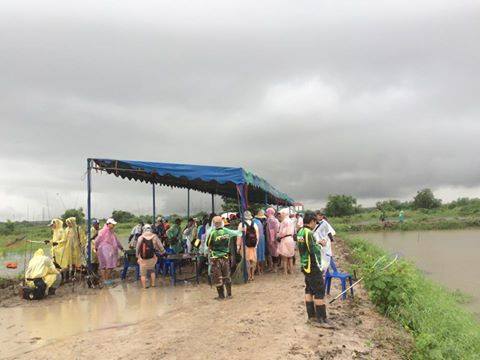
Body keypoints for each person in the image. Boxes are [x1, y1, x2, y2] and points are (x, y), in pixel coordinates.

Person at [297, 211, 331, 326]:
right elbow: (314, 251)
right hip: (312, 266)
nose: (315, 225)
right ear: (311, 221)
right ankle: (322, 319)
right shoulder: (309, 233)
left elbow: (305, 248)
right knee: (319, 290)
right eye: (315, 222)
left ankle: (311, 316)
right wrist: (320, 244)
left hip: (304, 265)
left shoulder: (300, 232)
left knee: (309, 290)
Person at [207, 216, 242, 299]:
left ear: (214, 224)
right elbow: (238, 233)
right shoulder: (227, 231)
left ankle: (221, 296)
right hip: (225, 257)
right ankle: (229, 294)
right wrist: (242, 230)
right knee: (226, 275)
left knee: (217, 276)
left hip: (215, 258)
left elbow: (208, 245)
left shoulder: (212, 233)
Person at [95, 218, 124, 286]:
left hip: (108, 250)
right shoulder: (103, 231)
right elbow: (97, 240)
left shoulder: (111, 232)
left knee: (107, 266)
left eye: (114, 224)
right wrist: (96, 247)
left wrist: (121, 247)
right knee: (107, 266)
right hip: (104, 249)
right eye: (112, 224)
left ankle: (106, 280)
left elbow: (116, 240)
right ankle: (106, 280)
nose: (114, 225)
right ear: (108, 224)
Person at [136, 224, 165, 289]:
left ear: (144, 229)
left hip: (142, 258)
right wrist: (163, 252)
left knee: (143, 274)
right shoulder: (154, 236)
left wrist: (137, 256)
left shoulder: (141, 237)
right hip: (152, 257)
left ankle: (144, 287)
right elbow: (160, 246)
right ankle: (153, 285)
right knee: (152, 271)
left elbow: (137, 248)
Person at [238, 210, 259, 281]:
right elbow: (257, 236)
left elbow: (239, 236)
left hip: (245, 245)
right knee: (253, 260)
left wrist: (238, 246)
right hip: (253, 245)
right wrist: (256, 244)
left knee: (246, 260)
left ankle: (248, 275)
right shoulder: (255, 224)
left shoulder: (242, 224)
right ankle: (252, 275)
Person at [277, 208, 295, 275]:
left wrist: (278, 236)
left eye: (281, 214)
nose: (281, 215)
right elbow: (293, 231)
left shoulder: (284, 222)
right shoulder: (291, 221)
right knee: (290, 256)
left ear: (284, 214)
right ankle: (291, 270)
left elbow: (282, 232)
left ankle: (285, 271)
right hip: (291, 238)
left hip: (285, 239)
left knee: (284, 257)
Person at [253, 210, 266, 275]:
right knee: (261, 254)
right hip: (261, 239)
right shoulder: (259, 222)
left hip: (257, 239)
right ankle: (261, 270)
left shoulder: (254, 221)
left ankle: (258, 270)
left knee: (257, 254)